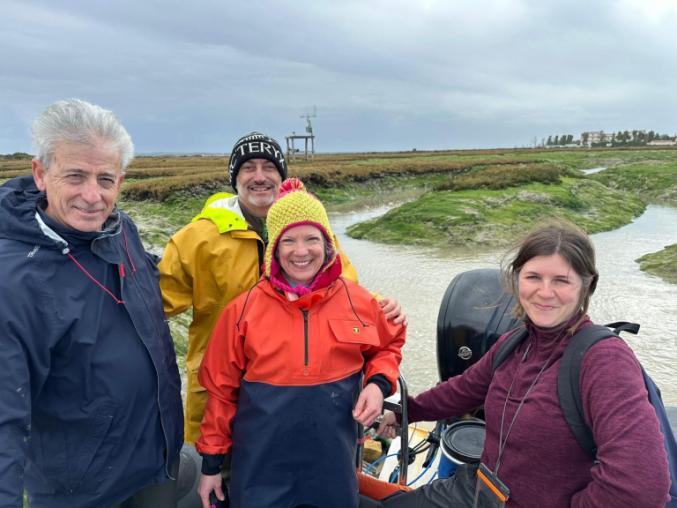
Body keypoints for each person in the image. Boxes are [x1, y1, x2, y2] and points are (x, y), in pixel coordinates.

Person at [373, 219, 670, 507]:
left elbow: (641, 487)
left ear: (586, 286)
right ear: (517, 279)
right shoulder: (516, 343)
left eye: (561, 281)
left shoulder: (603, 361)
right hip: (480, 489)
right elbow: (462, 390)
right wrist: (405, 413)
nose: (544, 292)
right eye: (533, 277)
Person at [159, 131, 405, 445]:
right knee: (222, 484)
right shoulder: (196, 238)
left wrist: (380, 303)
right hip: (222, 402)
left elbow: (342, 287)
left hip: (306, 400)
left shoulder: (315, 230)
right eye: (248, 168)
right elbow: (153, 305)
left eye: (269, 168)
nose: (259, 177)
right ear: (234, 178)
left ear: (282, 175)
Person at [0, 99, 183, 507]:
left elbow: (154, 284)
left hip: (155, 463)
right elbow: (4, 421)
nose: (92, 196)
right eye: (75, 176)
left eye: (105, 179)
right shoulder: (14, 281)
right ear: (40, 173)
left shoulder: (122, 230)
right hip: (82, 492)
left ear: (120, 180)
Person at [195, 178, 406, 508]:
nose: (301, 251)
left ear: (327, 244)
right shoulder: (241, 311)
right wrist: (210, 466)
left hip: (333, 469)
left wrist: (378, 384)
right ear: (274, 250)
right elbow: (221, 395)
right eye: (288, 240)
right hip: (260, 471)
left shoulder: (360, 301)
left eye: (311, 239)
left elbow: (388, 345)